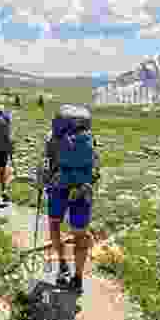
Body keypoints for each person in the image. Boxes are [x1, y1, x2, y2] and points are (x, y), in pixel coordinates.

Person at [42, 104, 100, 294]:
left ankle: (62, 264)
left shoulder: (52, 138)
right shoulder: (89, 137)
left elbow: (46, 164)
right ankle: (78, 278)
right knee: (80, 233)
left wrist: (44, 181)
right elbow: (95, 165)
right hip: (82, 187)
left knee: (54, 224)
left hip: (58, 186)